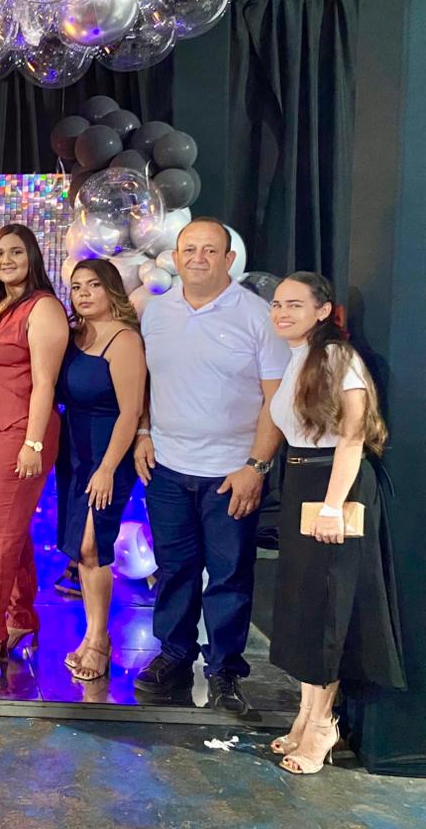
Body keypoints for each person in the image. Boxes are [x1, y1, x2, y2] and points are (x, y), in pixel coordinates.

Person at [133, 217, 290, 714]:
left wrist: (256, 466)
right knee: (175, 570)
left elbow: (276, 399)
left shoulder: (258, 317)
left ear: (229, 259)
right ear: (175, 258)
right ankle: (175, 656)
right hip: (167, 469)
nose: (198, 258)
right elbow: (143, 382)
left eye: (209, 250)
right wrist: (142, 432)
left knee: (228, 576)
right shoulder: (155, 312)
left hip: (231, 473)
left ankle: (225, 671)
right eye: (189, 249)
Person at [266, 272, 404, 774]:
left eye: (295, 304)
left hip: (333, 486)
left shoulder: (337, 357)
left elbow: (352, 435)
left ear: (323, 310)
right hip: (301, 480)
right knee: (305, 605)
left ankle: (323, 724)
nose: (282, 312)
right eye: (277, 304)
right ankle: (306, 714)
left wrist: (331, 505)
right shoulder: (299, 356)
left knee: (328, 605)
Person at [0, 224, 68, 669]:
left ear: (32, 257)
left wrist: (33, 443)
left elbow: (45, 383)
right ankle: (20, 616)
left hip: (21, 431)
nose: (7, 260)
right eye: (0, 253)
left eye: (16, 252)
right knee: (10, 530)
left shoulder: (43, 308)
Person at [56, 259, 145, 683]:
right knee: (81, 549)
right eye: (76, 287)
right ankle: (93, 634)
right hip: (73, 451)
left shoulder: (124, 340)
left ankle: (98, 639)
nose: (83, 294)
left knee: (93, 545)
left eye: (93, 285)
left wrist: (108, 467)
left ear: (111, 289)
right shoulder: (73, 336)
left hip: (108, 452)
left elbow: (131, 412)